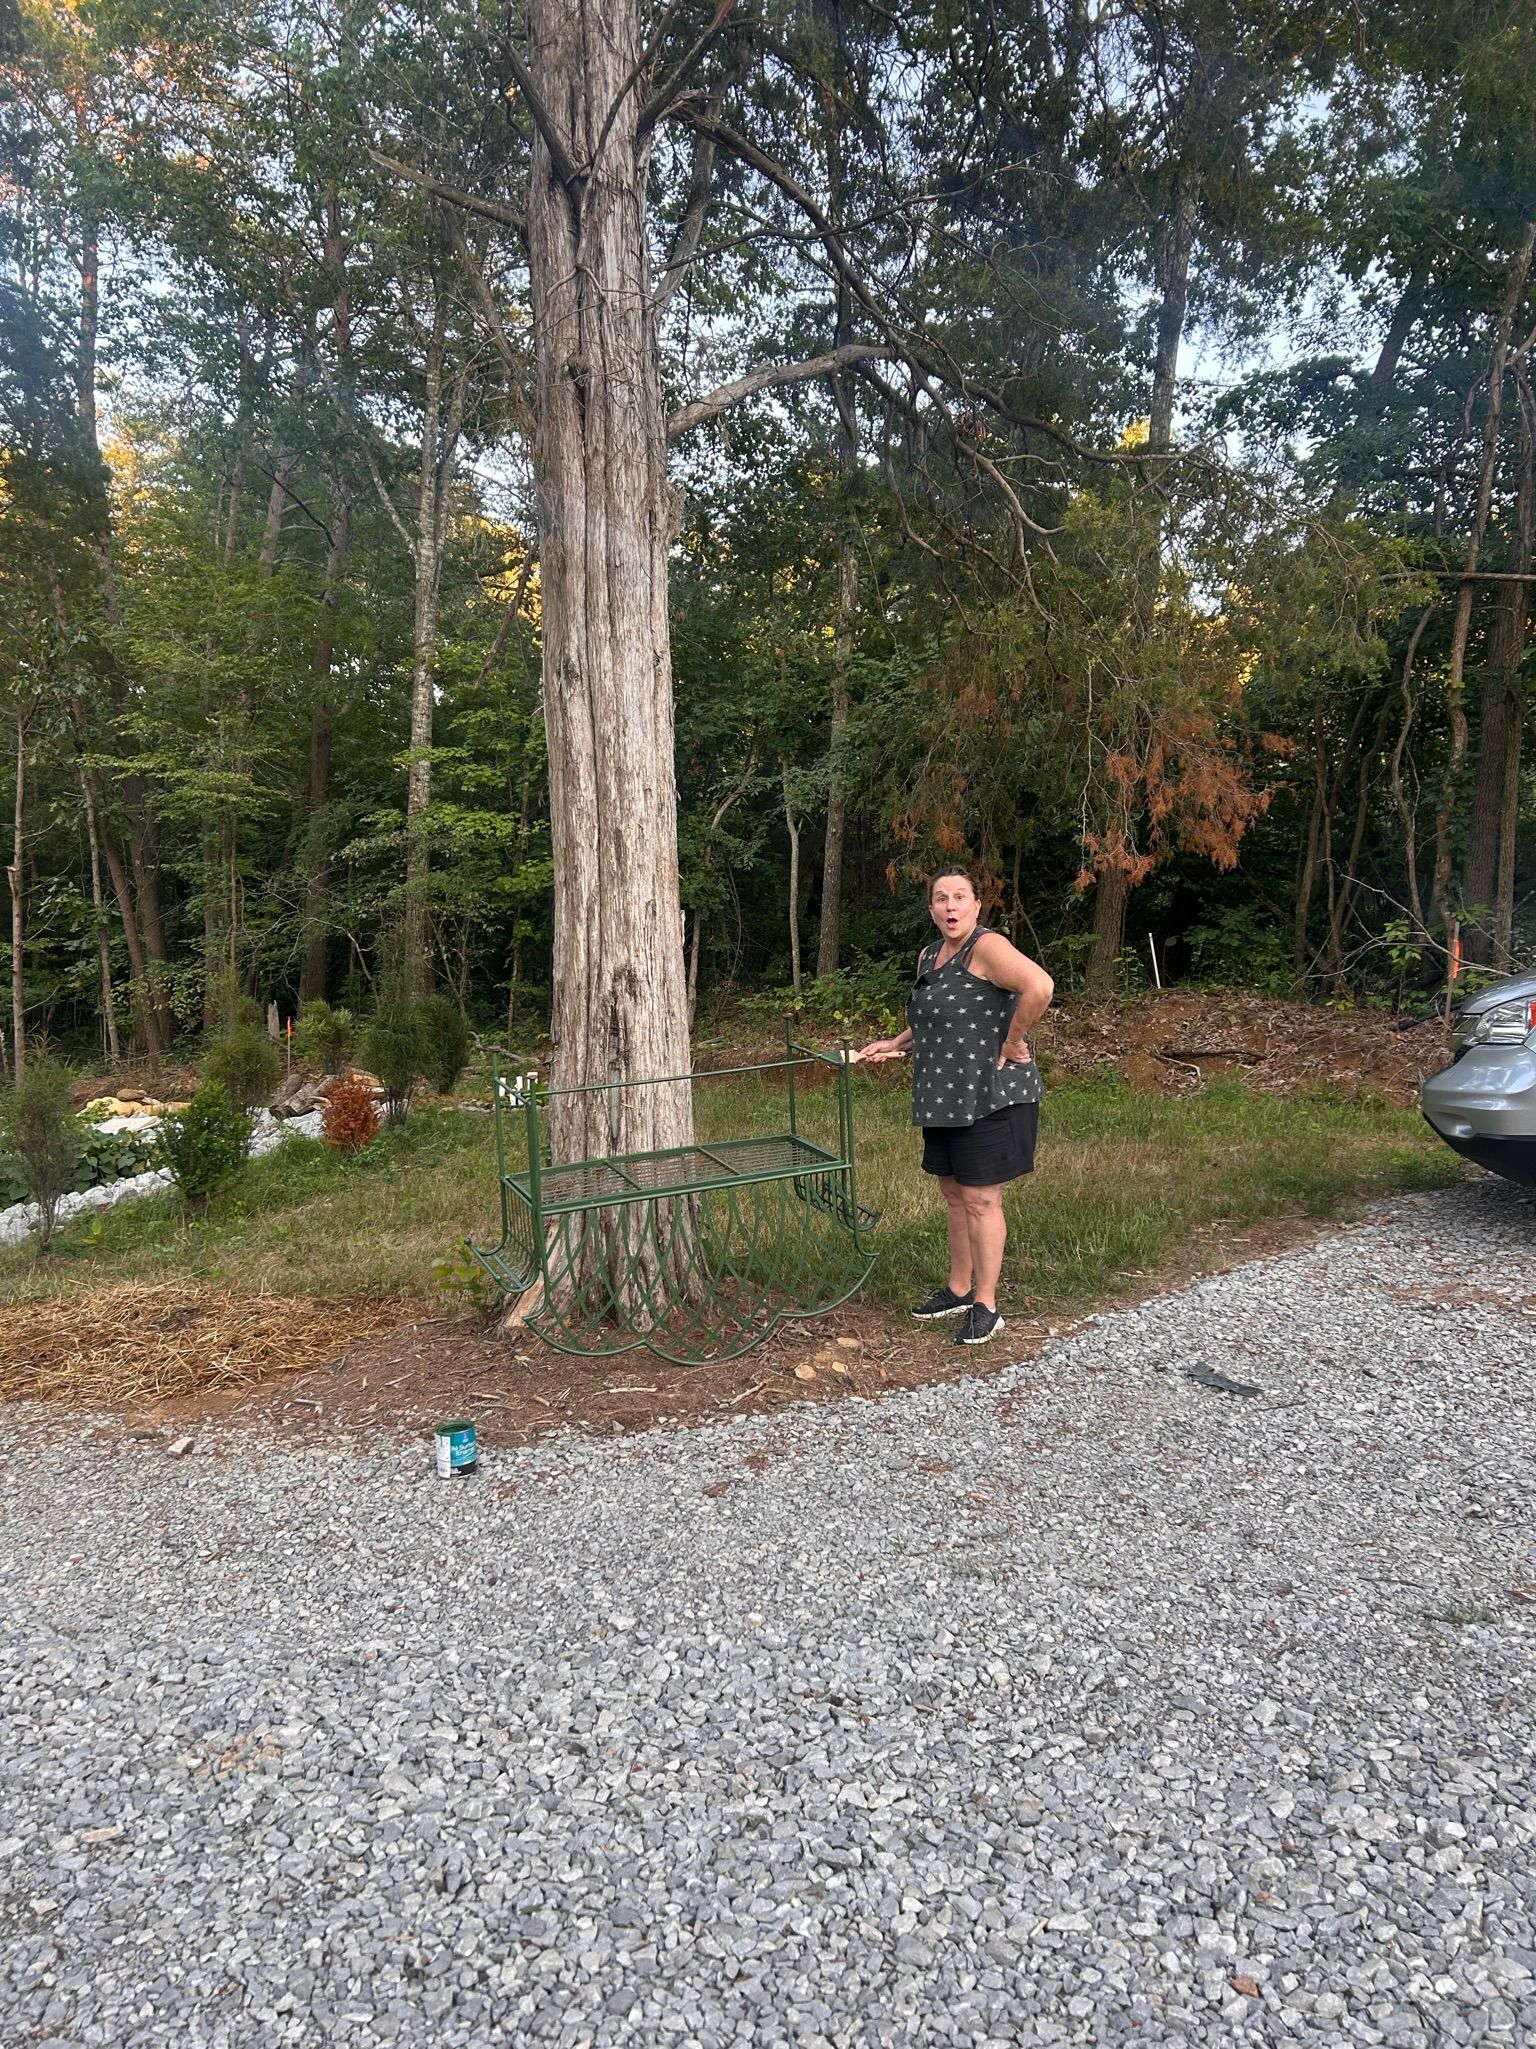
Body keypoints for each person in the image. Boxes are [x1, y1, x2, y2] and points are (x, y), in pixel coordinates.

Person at [857, 868, 1054, 1345]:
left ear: (976, 905)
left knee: (982, 1199)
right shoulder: (930, 954)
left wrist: (1013, 1041)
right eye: (941, 898)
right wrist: (896, 1043)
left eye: (959, 897)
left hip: (989, 1096)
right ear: (930, 909)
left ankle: (987, 1305)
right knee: (954, 1193)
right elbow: (931, 1016)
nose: (950, 907)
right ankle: (959, 1288)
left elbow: (1040, 986)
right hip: (943, 1095)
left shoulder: (987, 948)